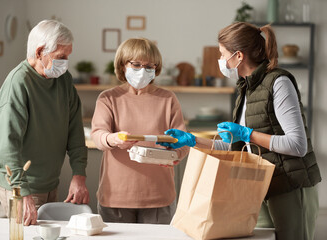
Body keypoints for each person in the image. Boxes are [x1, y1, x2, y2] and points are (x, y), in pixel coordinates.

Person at [159, 22, 321, 240]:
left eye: (222, 53)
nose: (220, 60)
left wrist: (247, 133)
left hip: (289, 187)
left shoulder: (279, 82)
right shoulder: (246, 88)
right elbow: (237, 146)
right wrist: (191, 140)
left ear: (238, 56)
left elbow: (297, 145)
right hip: (258, 185)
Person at [0, 20, 90, 226]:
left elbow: (75, 131)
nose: (65, 63)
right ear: (39, 52)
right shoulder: (17, 84)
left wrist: (79, 175)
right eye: (60, 57)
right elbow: (6, 148)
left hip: (50, 184)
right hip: (21, 187)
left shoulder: (63, 80)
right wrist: (22, 192)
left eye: (67, 57)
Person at [91, 37, 189, 224]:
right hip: (116, 196)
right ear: (122, 66)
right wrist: (114, 139)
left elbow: (183, 141)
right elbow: (98, 136)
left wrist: (175, 155)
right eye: (136, 65)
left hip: (159, 196)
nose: (143, 71)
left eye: (149, 66)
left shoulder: (168, 99)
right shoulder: (108, 98)